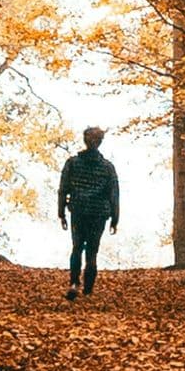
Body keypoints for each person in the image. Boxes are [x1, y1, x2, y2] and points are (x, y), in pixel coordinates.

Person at [57, 126, 119, 301]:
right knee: (92, 251)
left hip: (78, 210)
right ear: (100, 142)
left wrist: (61, 212)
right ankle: (88, 290)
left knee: (77, 247)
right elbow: (114, 194)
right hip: (99, 213)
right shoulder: (108, 168)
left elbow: (63, 189)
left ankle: (74, 283)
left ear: (85, 140)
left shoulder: (72, 163)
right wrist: (115, 218)